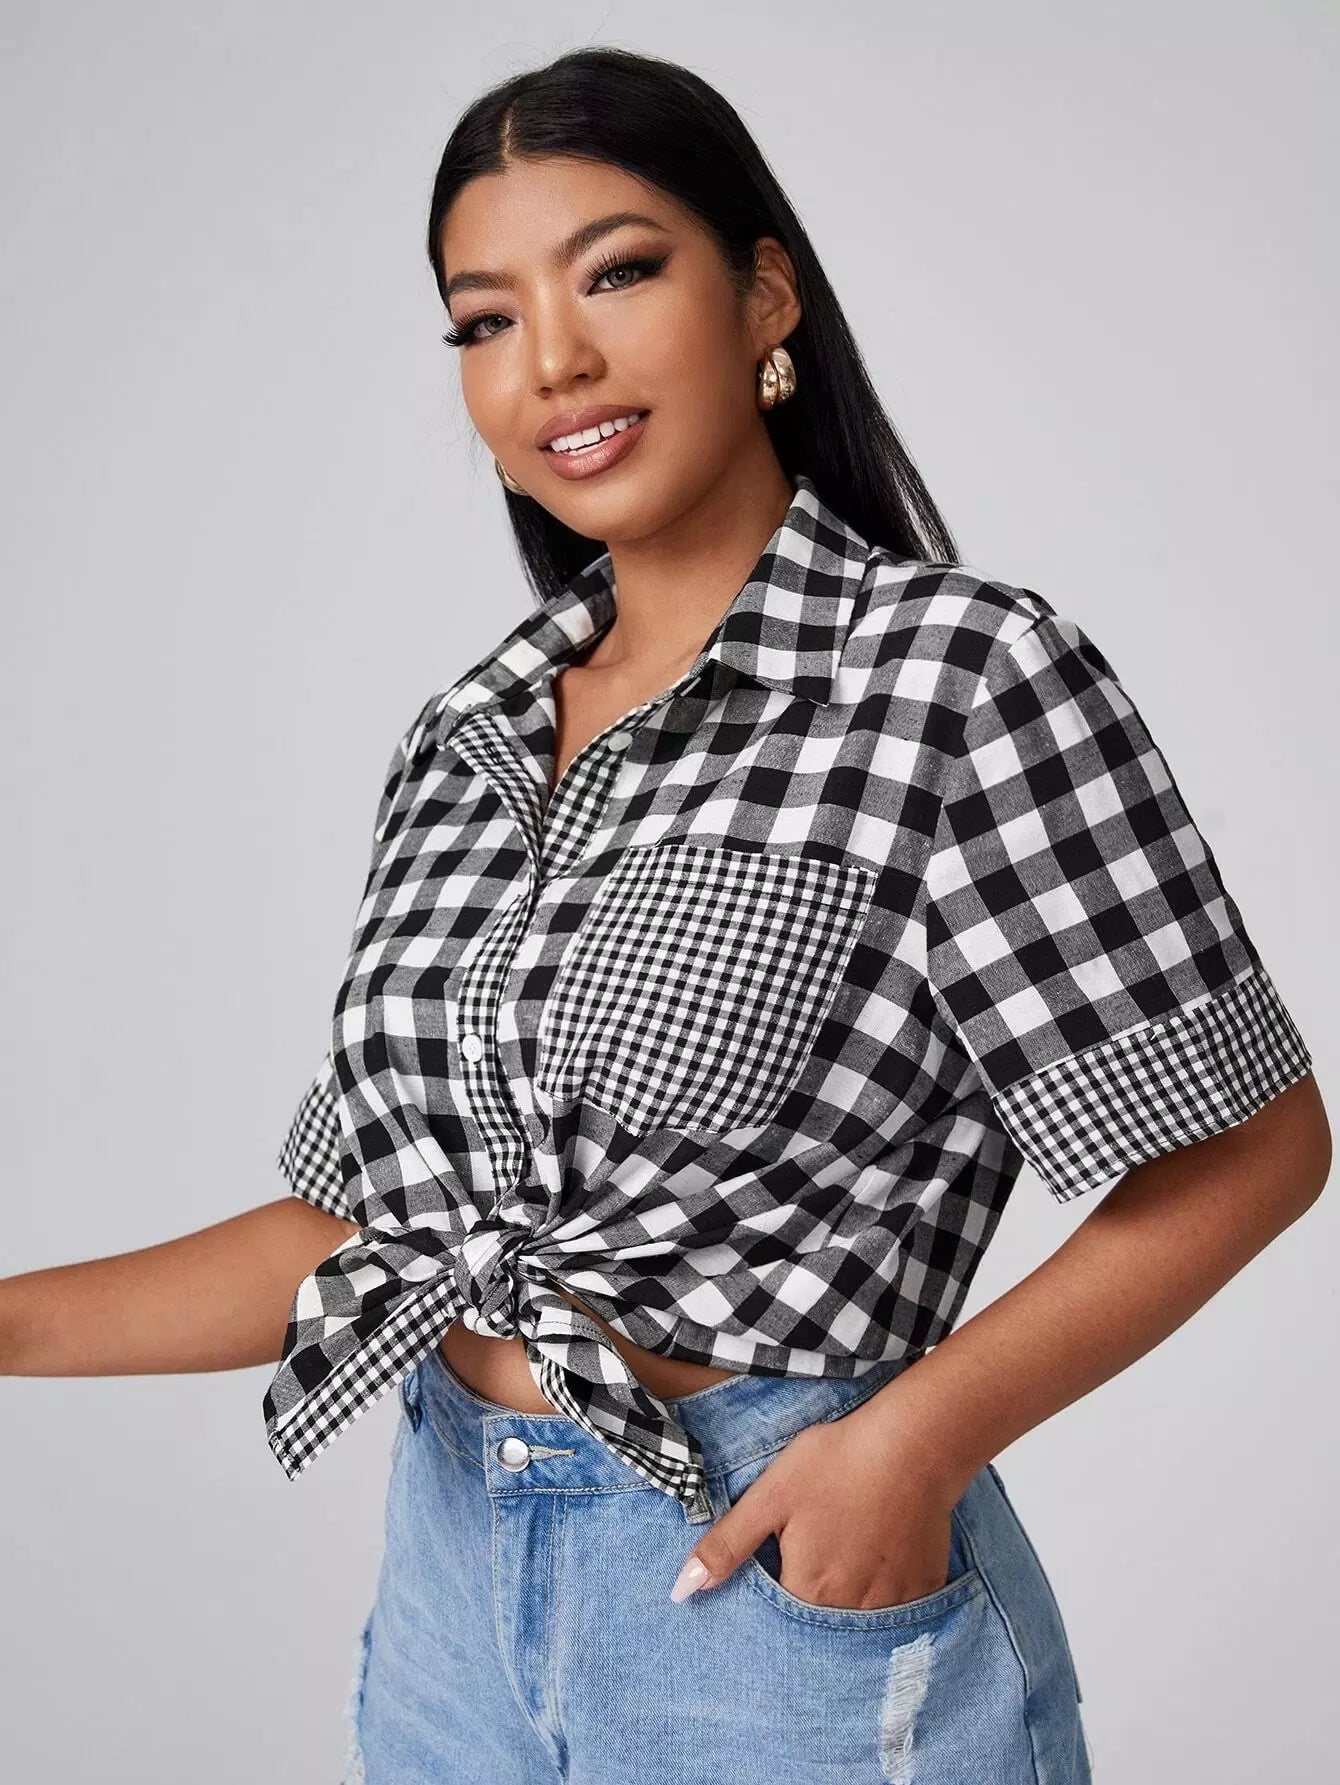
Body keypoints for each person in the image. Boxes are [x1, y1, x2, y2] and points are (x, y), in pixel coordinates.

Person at [3, 43, 1328, 1785]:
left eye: (617, 272)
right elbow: (367, 1231)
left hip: (780, 1601)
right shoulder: (465, 741)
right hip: (452, 1603)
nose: (552, 361)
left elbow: (1252, 1148)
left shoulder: (955, 679)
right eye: (485, 320)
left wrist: (912, 1443)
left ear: (765, 293)